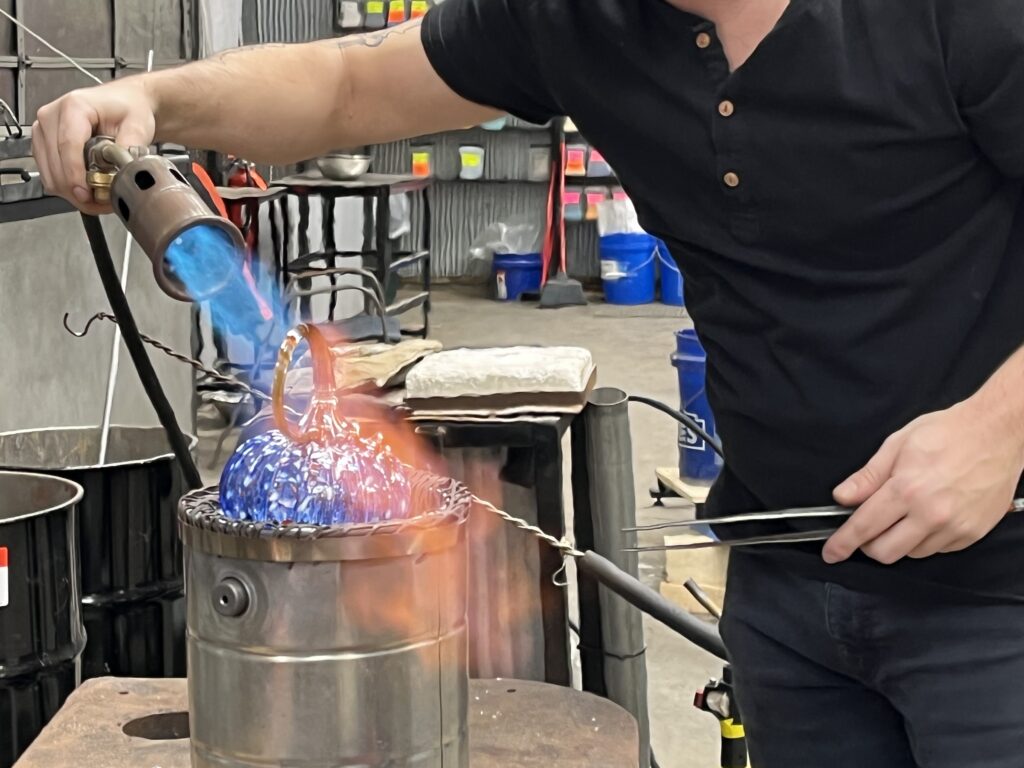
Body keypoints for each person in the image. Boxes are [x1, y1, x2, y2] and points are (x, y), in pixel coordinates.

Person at [33, 1, 1024, 765]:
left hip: (1000, 597)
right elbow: (347, 85)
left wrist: (999, 427)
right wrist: (157, 101)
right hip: (786, 586)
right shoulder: (576, 18)